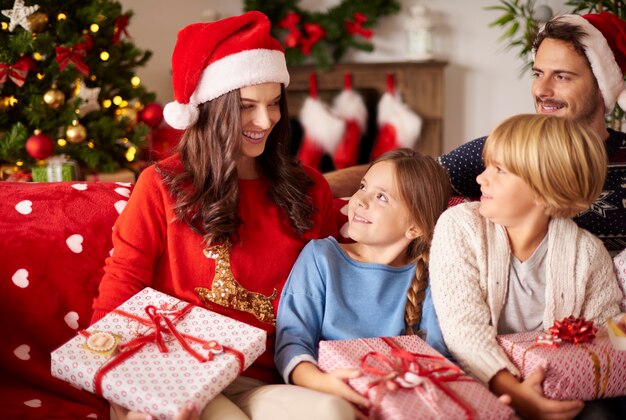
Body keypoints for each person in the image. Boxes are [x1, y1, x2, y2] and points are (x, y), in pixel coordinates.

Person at [91, 11, 354, 420]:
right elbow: (123, 279)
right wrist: (114, 380)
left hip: (269, 377)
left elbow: (330, 292)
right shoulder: (161, 184)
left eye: (273, 104)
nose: (265, 121)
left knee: (332, 412)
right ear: (212, 108)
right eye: (247, 107)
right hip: (179, 369)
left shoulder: (309, 188)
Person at [325, 12, 626, 253]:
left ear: (602, 85)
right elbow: (405, 175)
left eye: (561, 77)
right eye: (537, 74)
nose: (541, 90)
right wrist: (311, 187)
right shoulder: (500, 153)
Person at [429, 114, 624, 419]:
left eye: (499, 170)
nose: (481, 178)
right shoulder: (460, 226)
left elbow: (597, 345)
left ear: (545, 188)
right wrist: (516, 394)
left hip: (560, 390)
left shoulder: (587, 253)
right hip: (478, 381)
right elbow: (462, 330)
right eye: (486, 165)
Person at [274, 148, 451, 416]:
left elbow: (438, 358)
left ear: (414, 227)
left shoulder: (429, 276)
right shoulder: (322, 257)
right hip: (325, 397)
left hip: (400, 403)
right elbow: (292, 341)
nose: (360, 200)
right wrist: (322, 383)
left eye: (381, 197)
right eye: (363, 187)